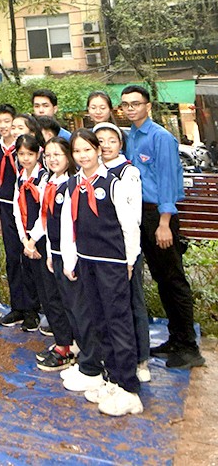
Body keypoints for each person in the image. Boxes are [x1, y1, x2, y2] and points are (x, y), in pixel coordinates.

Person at [61, 129, 142, 417]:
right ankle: (111, 379)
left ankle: (129, 388)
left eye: (87, 149)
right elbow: (70, 227)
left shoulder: (114, 183)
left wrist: (130, 259)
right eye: (77, 151)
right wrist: (70, 262)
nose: (83, 156)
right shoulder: (73, 185)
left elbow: (129, 225)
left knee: (119, 322)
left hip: (113, 263)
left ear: (98, 150)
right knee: (99, 322)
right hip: (87, 262)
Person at [122, 84, 205, 369]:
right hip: (140, 215)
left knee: (173, 279)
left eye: (135, 103)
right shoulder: (132, 135)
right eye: (126, 105)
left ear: (148, 105)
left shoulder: (161, 138)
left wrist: (165, 223)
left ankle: (189, 347)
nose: (130, 108)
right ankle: (175, 339)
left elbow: (169, 181)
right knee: (161, 278)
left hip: (159, 216)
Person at [94, 122, 150, 382]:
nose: (106, 145)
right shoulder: (92, 172)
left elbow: (133, 216)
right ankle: (111, 358)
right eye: (100, 140)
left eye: (111, 140)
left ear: (121, 144)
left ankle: (141, 359)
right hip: (100, 249)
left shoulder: (128, 172)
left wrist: (130, 252)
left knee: (132, 301)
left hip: (124, 247)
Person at [36, 137, 78, 372]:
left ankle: (75, 348)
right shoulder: (49, 182)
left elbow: (71, 227)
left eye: (57, 155)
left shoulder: (71, 184)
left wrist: (67, 258)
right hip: (53, 250)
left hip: (69, 254)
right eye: (48, 155)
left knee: (72, 302)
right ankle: (63, 343)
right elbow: (46, 219)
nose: (52, 159)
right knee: (54, 299)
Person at [0, 104, 27, 330]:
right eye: (0, 122)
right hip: (4, 207)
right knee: (13, 259)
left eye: (8, 122)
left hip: (24, 207)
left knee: (29, 259)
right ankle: (17, 307)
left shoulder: (24, 147)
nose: (4, 127)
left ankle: (33, 309)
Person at [9, 134, 47, 332]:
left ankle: (50, 315)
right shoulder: (20, 176)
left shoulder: (45, 177)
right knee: (28, 273)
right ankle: (31, 313)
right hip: (27, 236)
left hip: (42, 236)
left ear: (38, 153)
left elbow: (46, 212)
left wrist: (33, 239)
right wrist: (24, 238)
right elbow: (16, 209)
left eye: (29, 154)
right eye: (21, 153)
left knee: (45, 277)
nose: (25, 158)